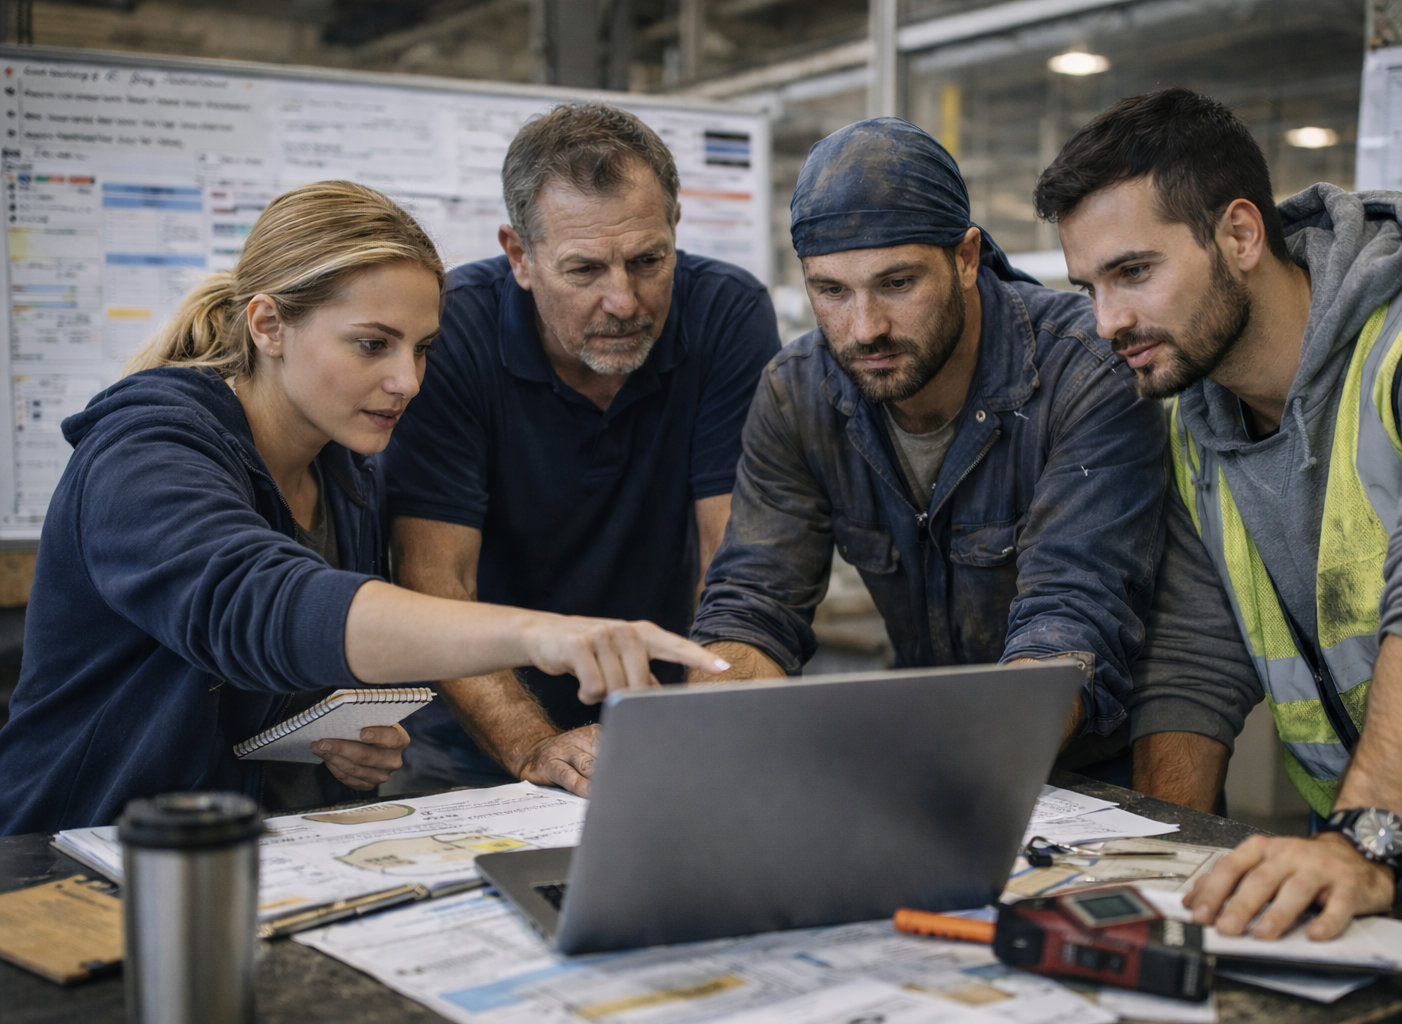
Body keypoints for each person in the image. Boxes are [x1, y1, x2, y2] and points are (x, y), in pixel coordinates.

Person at [0, 181, 729, 836]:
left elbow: (256, 685)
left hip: (249, 855)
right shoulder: (147, 451)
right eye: (373, 345)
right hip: (70, 853)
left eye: (422, 349)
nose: (408, 380)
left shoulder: (345, 472)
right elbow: (262, 606)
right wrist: (541, 634)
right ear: (267, 325)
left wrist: (327, 742)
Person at [1036, 88, 1402, 938]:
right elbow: (1195, 664)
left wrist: (1362, 841)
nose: (1107, 321)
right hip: (1363, 848)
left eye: (1133, 272)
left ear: (1238, 235)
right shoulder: (1200, 426)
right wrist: (1161, 872)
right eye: (1088, 287)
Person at [688, 118, 1167, 771]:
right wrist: (701, 763)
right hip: (947, 756)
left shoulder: (1086, 372)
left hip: (1102, 774)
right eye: (830, 291)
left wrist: (957, 776)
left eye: (897, 283)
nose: (865, 329)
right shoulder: (796, 392)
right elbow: (753, 601)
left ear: (966, 258)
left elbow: (1071, 615)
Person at [384, 103, 779, 797]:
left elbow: (734, 558)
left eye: (648, 260)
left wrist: (707, 727)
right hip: (479, 739)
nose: (623, 301)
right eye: (584, 270)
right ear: (520, 256)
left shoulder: (724, 312)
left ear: (675, 229)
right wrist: (534, 745)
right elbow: (437, 582)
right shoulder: (451, 335)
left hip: (665, 716)